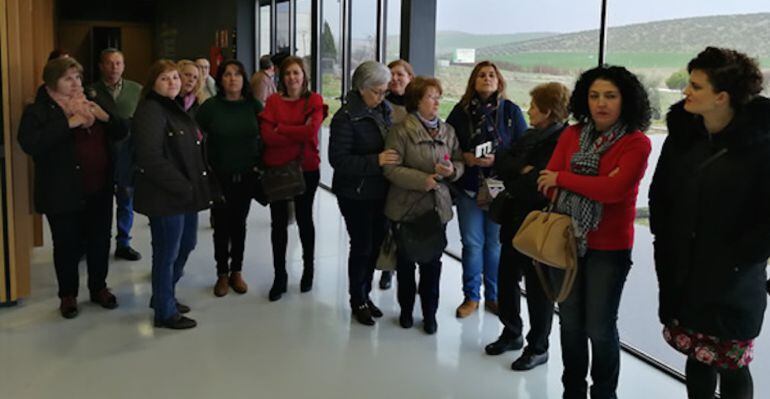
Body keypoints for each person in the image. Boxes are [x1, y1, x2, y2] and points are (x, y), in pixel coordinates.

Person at [649, 47, 770, 399]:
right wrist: (665, 241)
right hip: (684, 272)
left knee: (733, 364)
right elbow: (661, 194)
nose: (686, 91)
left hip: (733, 280)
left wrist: (735, 260)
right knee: (697, 356)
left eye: (696, 86)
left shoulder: (762, 146)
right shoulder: (683, 136)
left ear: (721, 97)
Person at [537, 65, 652, 399]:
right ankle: (572, 391)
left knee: (599, 328)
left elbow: (615, 192)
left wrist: (564, 179)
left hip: (609, 247)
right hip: (566, 240)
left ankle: (604, 394)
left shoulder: (636, 142)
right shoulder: (572, 135)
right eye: (594, 95)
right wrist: (589, 183)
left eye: (610, 96)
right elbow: (546, 185)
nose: (601, 103)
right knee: (570, 322)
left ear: (625, 100)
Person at [18, 57, 127, 318]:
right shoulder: (39, 110)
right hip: (62, 191)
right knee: (66, 245)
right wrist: (71, 122)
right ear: (51, 81)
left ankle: (98, 287)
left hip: (99, 188)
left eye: (77, 77)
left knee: (100, 241)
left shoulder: (92, 100)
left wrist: (104, 117)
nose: (75, 83)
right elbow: (31, 143)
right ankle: (68, 295)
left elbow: (121, 130)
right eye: (68, 78)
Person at [488, 82, 570, 370]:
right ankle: (511, 333)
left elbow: (539, 186)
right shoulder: (531, 135)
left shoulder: (562, 141)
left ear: (547, 111)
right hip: (513, 220)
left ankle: (538, 347)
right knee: (507, 278)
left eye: (534, 106)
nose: (529, 110)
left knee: (538, 290)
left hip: (539, 226)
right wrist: (522, 172)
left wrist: (522, 174)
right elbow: (502, 164)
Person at [133, 60, 215, 329]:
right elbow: (150, 158)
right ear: (153, 84)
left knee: (186, 244)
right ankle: (164, 311)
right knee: (166, 254)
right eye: (165, 79)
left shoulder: (175, 107)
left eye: (174, 78)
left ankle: (163, 296)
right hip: (166, 196)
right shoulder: (151, 111)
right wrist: (184, 186)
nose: (172, 83)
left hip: (184, 195)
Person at [383, 76, 464, 335]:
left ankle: (430, 314)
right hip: (406, 209)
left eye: (438, 96)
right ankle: (406, 310)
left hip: (436, 211)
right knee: (406, 264)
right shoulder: (400, 130)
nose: (437, 101)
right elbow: (390, 168)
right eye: (432, 96)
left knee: (432, 266)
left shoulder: (448, 131)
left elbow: (460, 163)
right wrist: (422, 180)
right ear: (417, 101)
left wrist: (452, 171)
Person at [446, 60, 527, 318]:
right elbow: (448, 146)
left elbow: (522, 149)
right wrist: (466, 158)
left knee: (494, 245)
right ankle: (471, 296)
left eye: (492, 75)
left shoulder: (511, 112)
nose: (487, 78)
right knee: (472, 244)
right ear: (473, 80)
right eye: (481, 75)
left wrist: (498, 159)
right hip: (469, 187)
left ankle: (494, 296)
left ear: (499, 80)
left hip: (499, 189)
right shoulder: (460, 112)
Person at [329, 61, 397, 326]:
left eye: (384, 91)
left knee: (375, 245)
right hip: (354, 193)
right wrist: (376, 161)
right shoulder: (345, 118)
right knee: (361, 246)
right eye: (377, 92)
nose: (382, 97)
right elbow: (339, 160)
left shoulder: (384, 110)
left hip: (381, 190)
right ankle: (356, 299)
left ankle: (366, 295)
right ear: (362, 89)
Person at [260, 56, 324, 302]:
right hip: (277, 169)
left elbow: (311, 130)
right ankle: (280, 276)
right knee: (278, 224)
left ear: (304, 76)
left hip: (306, 168)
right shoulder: (273, 101)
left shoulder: (314, 100)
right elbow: (267, 136)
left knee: (305, 220)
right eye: (287, 73)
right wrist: (296, 131)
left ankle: (308, 270)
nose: (292, 78)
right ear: (281, 77)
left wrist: (282, 128)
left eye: (296, 73)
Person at [196, 59, 263, 297]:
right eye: (227, 74)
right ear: (220, 79)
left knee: (240, 224)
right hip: (218, 177)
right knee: (221, 226)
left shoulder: (253, 106)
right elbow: (194, 136)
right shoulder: (210, 107)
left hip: (246, 176)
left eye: (237, 74)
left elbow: (266, 136)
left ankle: (237, 270)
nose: (232, 78)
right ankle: (222, 273)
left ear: (244, 79)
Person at [92, 48, 144, 261]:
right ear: (100, 66)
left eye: (118, 63)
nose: (114, 68)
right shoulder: (90, 90)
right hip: (99, 153)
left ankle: (123, 242)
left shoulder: (136, 90)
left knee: (125, 199)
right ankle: (94, 242)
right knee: (98, 201)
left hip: (127, 152)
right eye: (109, 63)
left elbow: (141, 121)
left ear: (123, 66)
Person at [376, 58, 415, 291]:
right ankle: (387, 268)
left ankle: (409, 269)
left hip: (410, 174)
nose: (396, 78)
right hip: (385, 171)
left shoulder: (417, 106)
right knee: (387, 224)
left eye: (401, 74)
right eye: (391, 74)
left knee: (408, 225)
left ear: (410, 78)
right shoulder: (381, 105)